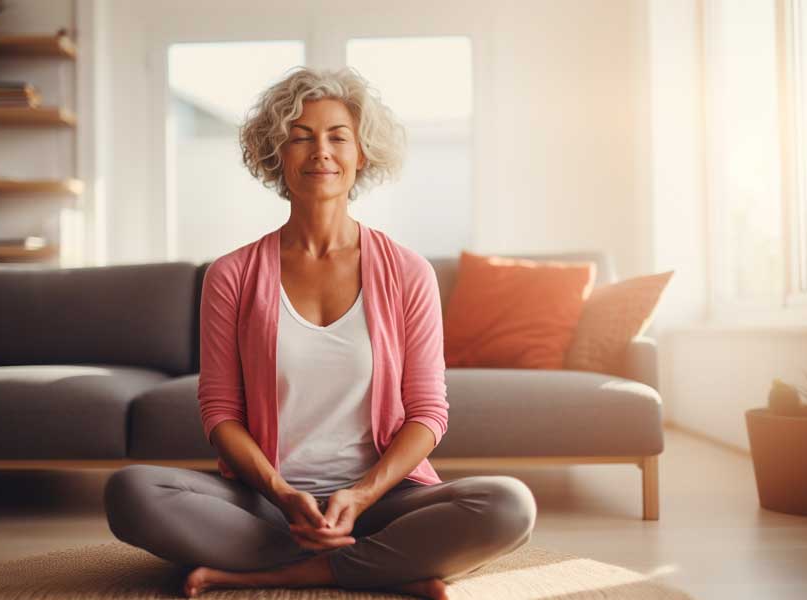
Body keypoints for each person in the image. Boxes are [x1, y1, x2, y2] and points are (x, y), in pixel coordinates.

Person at [103, 66, 537, 600]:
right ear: (277, 154)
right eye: (300, 137)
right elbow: (220, 412)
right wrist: (283, 494)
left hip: (383, 501)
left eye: (338, 137)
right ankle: (383, 565)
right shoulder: (231, 274)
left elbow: (428, 413)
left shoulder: (409, 272)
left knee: (508, 505)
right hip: (267, 503)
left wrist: (361, 494)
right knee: (131, 491)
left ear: (362, 153)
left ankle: (284, 570)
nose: (321, 152)